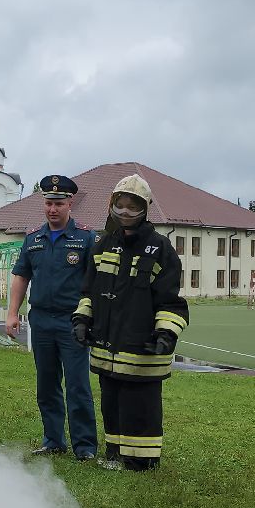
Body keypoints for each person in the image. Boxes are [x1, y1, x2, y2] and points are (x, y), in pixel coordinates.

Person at [72, 174, 188, 472]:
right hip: (107, 347)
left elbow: (170, 300)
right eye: (119, 206)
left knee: (140, 406)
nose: (124, 212)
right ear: (111, 206)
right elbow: (89, 291)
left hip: (141, 349)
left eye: (132, 207)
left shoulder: (160, 248)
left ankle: (141, 461)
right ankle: (114, 454)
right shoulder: (102, 245)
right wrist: (83, 320)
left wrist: (165, 334)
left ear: (145, 209)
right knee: (111, 403)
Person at [6, 175, 98, 460]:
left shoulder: (86, 238)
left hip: (73, 322)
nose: (52, 209)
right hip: (42, 321)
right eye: (48, 203)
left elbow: (95, 281)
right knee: (46, 384)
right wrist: (12, 313)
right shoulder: (33, 238)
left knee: (77, 385)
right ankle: (53, 440)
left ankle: (84, 447)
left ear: (70, 203)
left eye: (58, 203)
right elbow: (21, 276)